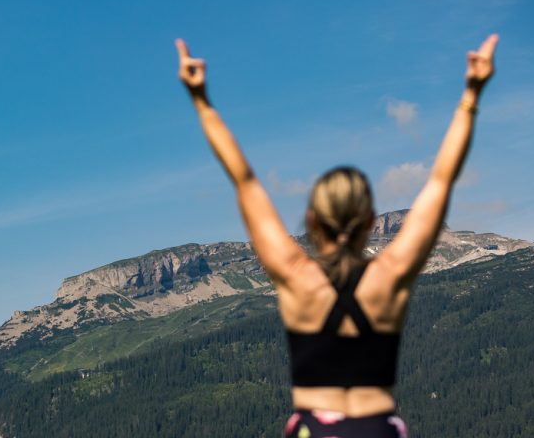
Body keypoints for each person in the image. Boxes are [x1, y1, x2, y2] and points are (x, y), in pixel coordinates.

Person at [175, 34, 498, 438]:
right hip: (376, 427)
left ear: (311, 219)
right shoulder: (391, 275)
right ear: (368, 221)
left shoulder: (296, 276)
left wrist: (202, 101)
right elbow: (441, 180)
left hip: (314, 427)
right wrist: (471, 94)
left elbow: (245, 181)